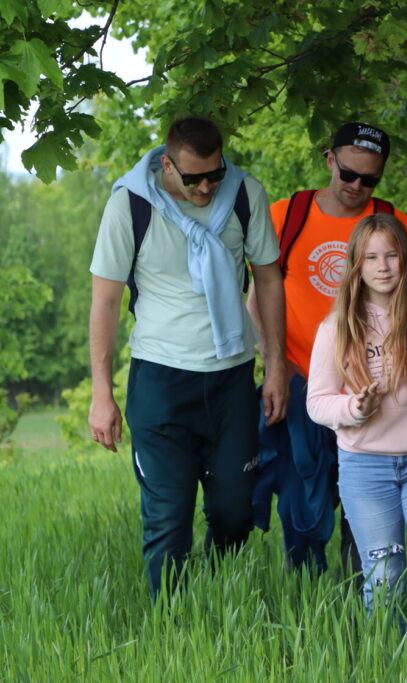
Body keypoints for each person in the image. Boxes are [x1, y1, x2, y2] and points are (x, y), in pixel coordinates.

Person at [88, 116, 287, 597]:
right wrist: (101, 392)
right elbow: (105, 302)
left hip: (231, 378)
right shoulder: (130, 205)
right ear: (166, 164)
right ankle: (171, 621)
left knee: (235, 513)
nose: (205, 187)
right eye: (194, 177)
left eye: (214, 174)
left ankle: (218, 600)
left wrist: (276, 366)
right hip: (160, 381)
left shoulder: (244, 194)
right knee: (167, 518)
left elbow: (268, 280)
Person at [247, 122, 407, 575]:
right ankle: (306, 587)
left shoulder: (396, 225)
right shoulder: (286, 215)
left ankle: (362, 593)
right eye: (348, 174)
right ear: (330, 160)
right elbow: (257, 299)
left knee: (367, 501)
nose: (357, 187)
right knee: (303, 496)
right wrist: (274, 365)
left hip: (373, 384)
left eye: (370, 179)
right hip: (299, 378)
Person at [306, 214, 407, 639]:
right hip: (365, 468)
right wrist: (354, 407)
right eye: (371, 257)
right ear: (356, 264)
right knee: (383, 578)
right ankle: (392, 660)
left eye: (391, 255)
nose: (383, 266)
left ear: (405, 259)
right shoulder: (337, 326)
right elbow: (317, 402)